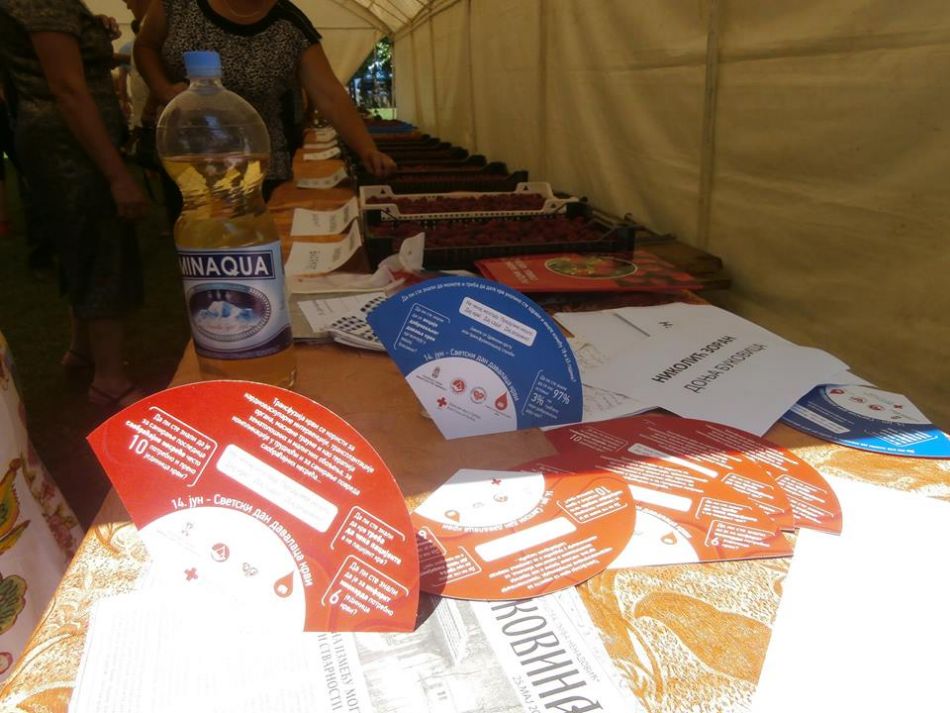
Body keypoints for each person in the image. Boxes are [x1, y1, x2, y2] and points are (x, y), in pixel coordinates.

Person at [0, 0, 149, 408]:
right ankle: (110, 379)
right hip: (70, 145)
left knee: (78, 242)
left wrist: (90, 29)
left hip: (56, 141)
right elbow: (67, 90)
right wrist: (117, 176)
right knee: (103, 245)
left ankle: (81, 351)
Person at [134, 0, 396, 199]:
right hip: (187, 160)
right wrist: (163, 89)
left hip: (256, 167)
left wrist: (367, 150)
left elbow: (330, 95)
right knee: (198, 242)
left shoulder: (291, 25)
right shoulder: (176, 4)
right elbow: (145, 46)